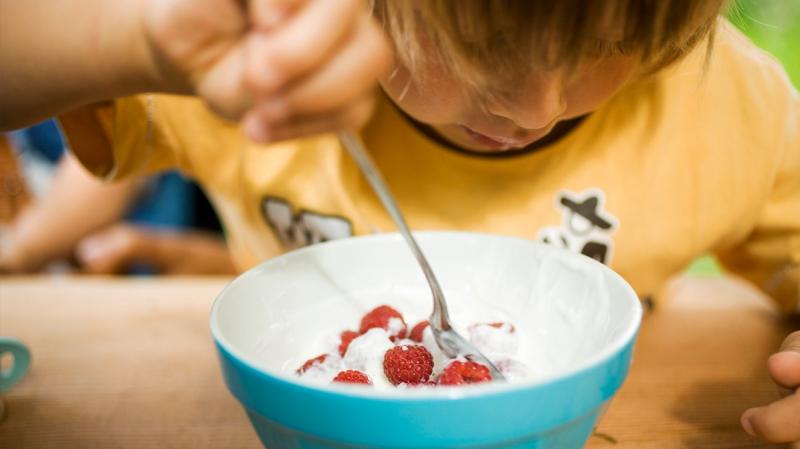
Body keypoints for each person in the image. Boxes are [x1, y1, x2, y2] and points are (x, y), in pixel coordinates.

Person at [0, 0, 798, 442]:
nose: (536, 108)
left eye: (619, 40)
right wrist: (131, 36)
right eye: (478, 42)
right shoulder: (255, 69)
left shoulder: (731, 110)